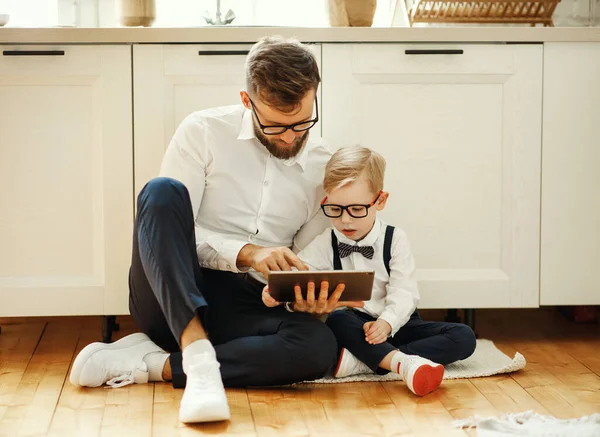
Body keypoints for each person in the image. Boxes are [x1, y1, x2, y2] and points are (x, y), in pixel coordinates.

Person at [68, 36, 360, 423]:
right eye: (274, 126)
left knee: (318, 345)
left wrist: (308, 300)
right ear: (246, 101)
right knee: (161, 191)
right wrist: (246, 252)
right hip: (169, 289)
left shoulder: (325, 167)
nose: (290, 138)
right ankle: (197, 352)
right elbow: (169, 225)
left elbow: (306, 261)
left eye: (301, 123)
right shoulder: (203, 131)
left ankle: (158, 363)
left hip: (247, 304)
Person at [262, 147, 477, 396]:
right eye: (335, 209)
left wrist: (387, 323)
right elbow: (299, 274)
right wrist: (278, 292)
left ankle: (363, 362)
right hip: (356, 327)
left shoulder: (395, 239)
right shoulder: (326, 241)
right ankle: (400, 362)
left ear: (380, 201)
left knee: (463, 336)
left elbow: (404, 291)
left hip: (397, 324)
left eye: (356, 209)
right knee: (338, 319)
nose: (345, 220)